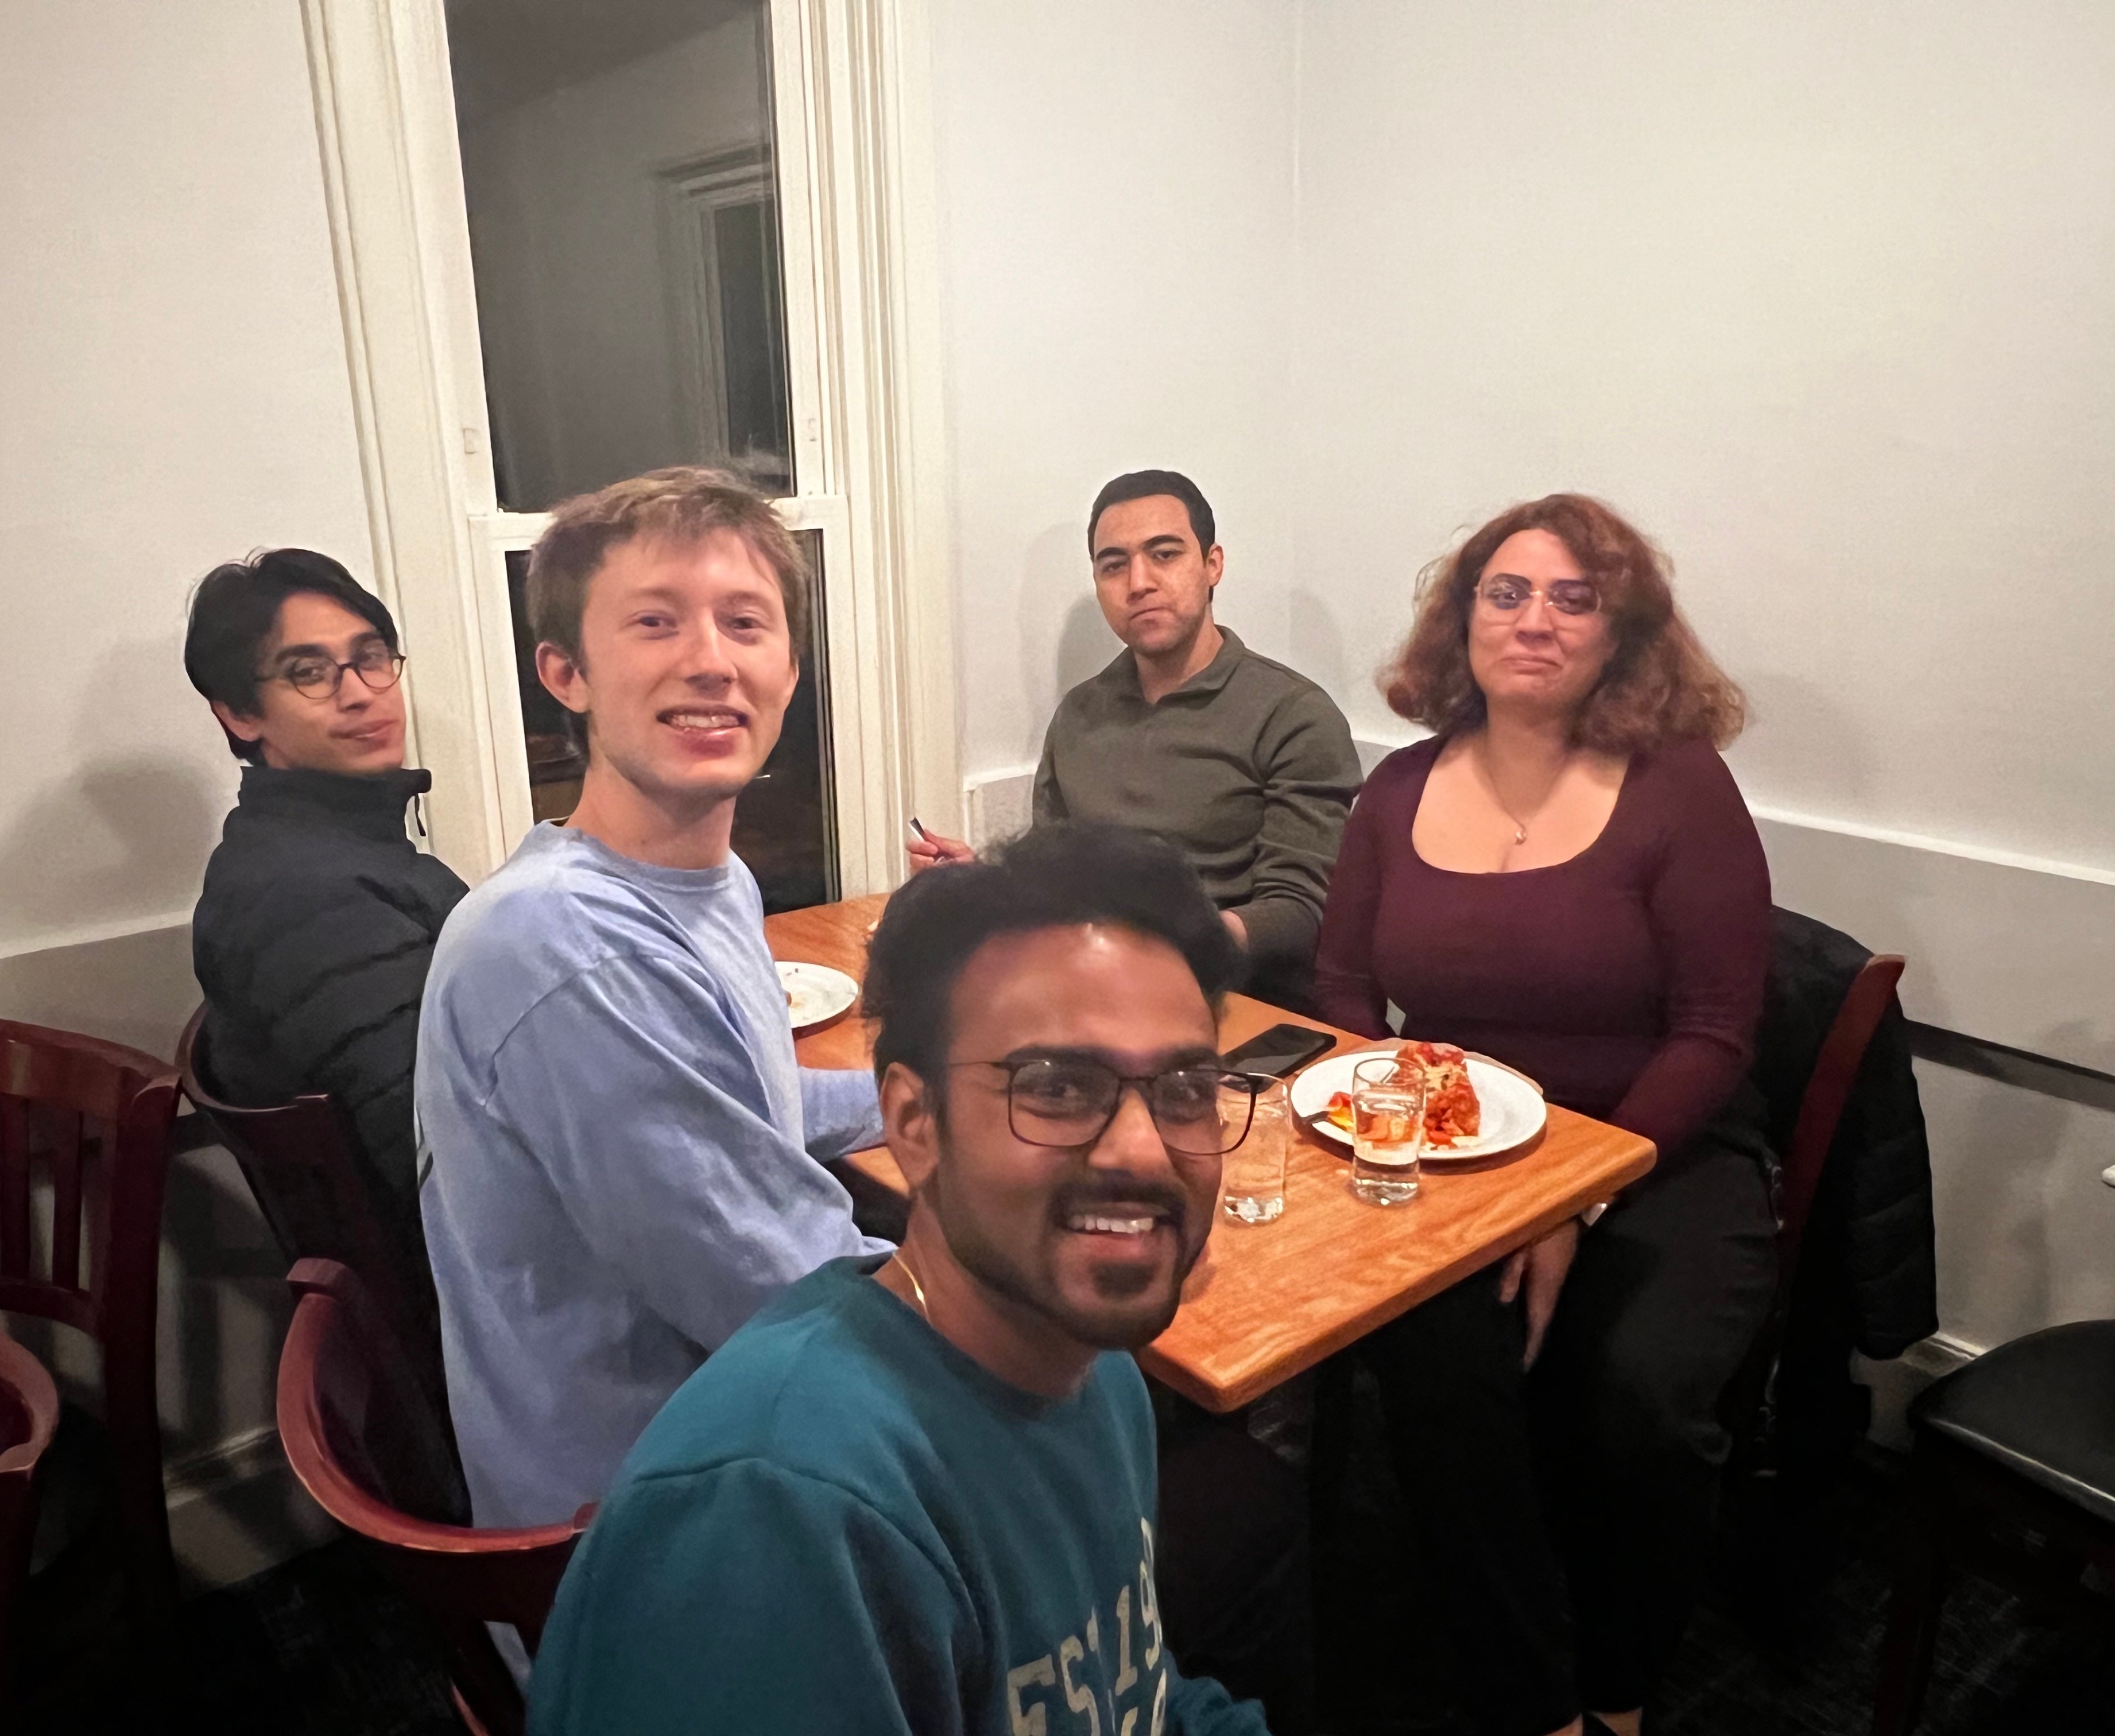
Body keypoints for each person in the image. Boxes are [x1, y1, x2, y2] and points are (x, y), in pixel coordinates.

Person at [530, 823, 1270, 1736]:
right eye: (1057, 1088)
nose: (1140, 1149)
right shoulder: (780, 1519)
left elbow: (1142, 1701)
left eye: (1186, 1091)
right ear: (913, 1124)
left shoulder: (1094, 1367)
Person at [1312, 494, 1774, 1736]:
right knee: (1435, 1357)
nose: (1534, 621)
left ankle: (1619, 1695)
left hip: (1659, 1146)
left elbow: (1716, 1034)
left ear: (1622, 632)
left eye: (1576, 598)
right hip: (1458, 1146)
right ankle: (1535, 1701)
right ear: (1462, 621)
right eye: (1505, 593)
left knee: (1643, 1400)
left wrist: (1575, 1193)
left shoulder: (1679, 790)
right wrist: (1392, 1106)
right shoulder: (1397, 791)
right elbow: (1348, 988)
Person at [415, 468, 884, 1541]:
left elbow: (744, 1104)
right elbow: (800, 1302)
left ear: (790, 670)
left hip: (735, 1440)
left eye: (745, 622)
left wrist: (935, 1097)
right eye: (656, 622)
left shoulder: (711, 882)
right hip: (657, 1532)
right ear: (565, 671)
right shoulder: (561, 943)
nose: (710, 660)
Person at [909, 471, 1359, 1008]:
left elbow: (1301, 910)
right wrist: (984, 881)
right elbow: (1053, 868)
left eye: (1164, 555)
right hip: (1089, 994)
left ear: (1212, 564)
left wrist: (1172, 942)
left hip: (1237, 1010)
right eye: (1114, 565)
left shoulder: (1293, 715)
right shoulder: (1080, 712)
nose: (1138, 582)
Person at [184, 549, 467, 1260]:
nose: (361, 692)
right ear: (241, 714)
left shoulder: (320, 850)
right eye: (309, 673)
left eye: (371, 657)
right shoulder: (307, 901)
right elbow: (442, 1164)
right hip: (480, 1308)